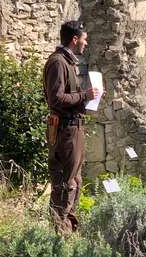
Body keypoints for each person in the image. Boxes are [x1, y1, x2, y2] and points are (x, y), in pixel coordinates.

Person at [43, 20, 99, 235]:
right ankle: (60, 234)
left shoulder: (67, 62)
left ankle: (66, 231)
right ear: (75, 40)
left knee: (74, 180)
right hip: (66, 131)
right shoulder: (58, 62)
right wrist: (85, 96)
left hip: (72, 130)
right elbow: (55, 100)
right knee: (67, 183)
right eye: (84, 40)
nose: (86, 44)